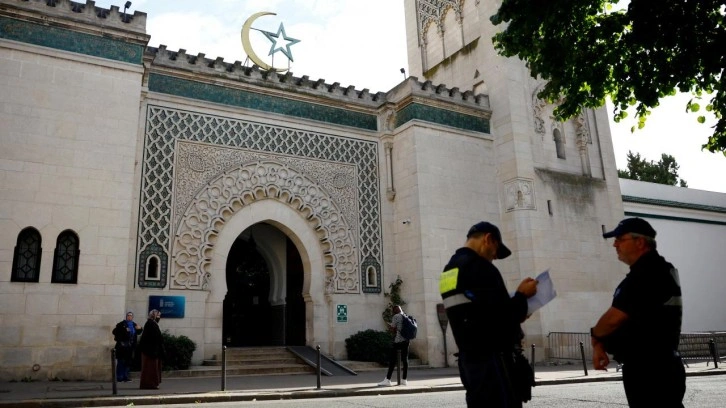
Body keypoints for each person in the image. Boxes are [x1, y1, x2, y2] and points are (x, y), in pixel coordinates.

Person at [440, 221, 538, 407]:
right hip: (494, 363)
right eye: (495, 251)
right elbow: (503, 317)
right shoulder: (481, 268)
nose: (494, 257)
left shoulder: (448, 271)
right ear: (488, 239)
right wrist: (522, 296)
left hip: (469, 362)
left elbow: (479, 312)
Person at [590, 218, 685, 407]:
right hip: (655, 365)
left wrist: (595, 336)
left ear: (640, 242)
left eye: (620, 239)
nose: (615, 245)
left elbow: (614, 319)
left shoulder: (648, 273)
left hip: (651, 369)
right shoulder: (655, 269)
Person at [377, 305, 410, 386]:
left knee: (392, 360)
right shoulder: (405, 315)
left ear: (395, 311)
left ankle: (388, 380)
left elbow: (393, 329)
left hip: (398, 341)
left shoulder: (396, 316)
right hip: (406, 340)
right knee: (405, 360)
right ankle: (404, 380)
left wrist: (390, 326)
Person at [112, 311, 143, 382]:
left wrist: (140, 328)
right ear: (126, 317)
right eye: (128, 315)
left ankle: (126, 376)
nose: (129, 317)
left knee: (128, 362)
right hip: (122, 347)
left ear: (132, 317)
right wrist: (123, 330)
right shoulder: (121, 324)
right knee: (121, 362)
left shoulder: (134, 325)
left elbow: (138, 332)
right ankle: (119, 377)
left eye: (131, 316)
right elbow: (114, 332)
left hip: (130, 347)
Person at [138, 309, 164, 390]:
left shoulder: (152, 323)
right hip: (150, 351)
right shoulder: (150, 323)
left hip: (152, 350)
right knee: (150, 368)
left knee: (152, 368)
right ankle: (150, 384)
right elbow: (153, 338)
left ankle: (152, 384)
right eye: (158, 315)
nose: (159, 317)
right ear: (154, 315)